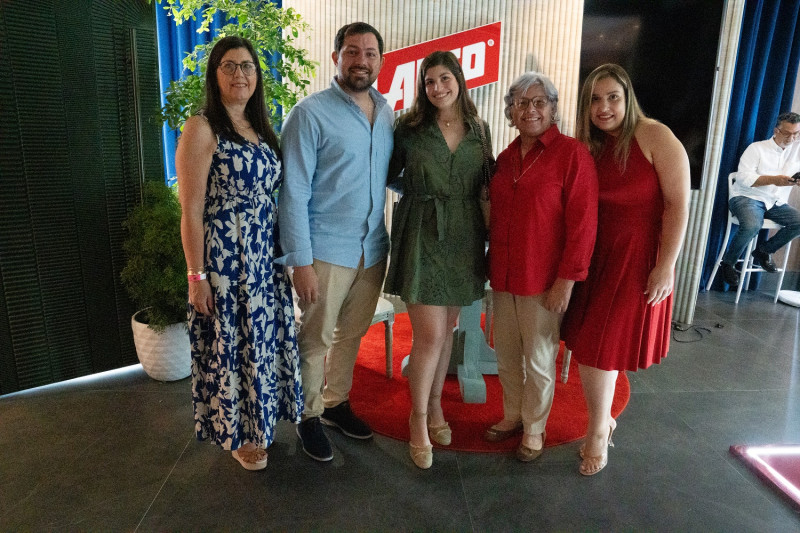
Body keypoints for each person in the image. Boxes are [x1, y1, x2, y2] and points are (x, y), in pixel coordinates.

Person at [176, 36, 303, 471]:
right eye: (229, 66)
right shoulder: (202, 128)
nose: (240, 74)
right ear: (215, 74)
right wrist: (197, 277)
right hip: (226, 261)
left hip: (263, 258)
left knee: (259, 346)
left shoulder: (261, 127)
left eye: (247, 66)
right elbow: (190, 211)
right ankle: (237, 433)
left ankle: (259, 423)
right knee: (230, 348)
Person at [562, 63, 690, 476]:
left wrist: (665, 266)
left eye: (612, 97)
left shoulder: (655, 135)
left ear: (627, 97)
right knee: (594, 344)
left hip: (636, 261)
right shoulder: (589, 145)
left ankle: (598, 431)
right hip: (595, 258)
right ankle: (603, 421)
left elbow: (678, 205)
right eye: (595, 99)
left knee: (602, 345)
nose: (604, 107)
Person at [277, 22, 393, 462]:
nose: (360, 60)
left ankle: (335, 404)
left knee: (351, 334)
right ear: (336, 58)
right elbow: (293, 192)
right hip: (325, 250)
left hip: (371, 248)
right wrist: (300, 262)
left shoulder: (385, 112)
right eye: (351, 52)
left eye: (369, 53)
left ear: (381, 60)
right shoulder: (309, 113)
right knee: (316, 337)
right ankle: (307, 417)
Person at [484, 72, 598, 463]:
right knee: (505, 353)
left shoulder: (572, 155)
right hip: (503, 274)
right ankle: (513, 415)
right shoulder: (505, 157)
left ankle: (534, 429)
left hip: (544, 279)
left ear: (552, 108)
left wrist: (567, 281)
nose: (529, 110)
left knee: (538, 358)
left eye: (538, 103)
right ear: (510, 111)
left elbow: (583, 226)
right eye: (520, 103)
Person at [385, 51, 490, 469]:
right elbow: (388, 172)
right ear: (422, 88)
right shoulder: (409, 129)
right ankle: (418, 419)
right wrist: (420, 195)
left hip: (464, 235)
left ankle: (436, 408)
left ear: (459, 80)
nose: (438, 87)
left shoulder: (478, 129)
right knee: (429, 335)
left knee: (446, 331)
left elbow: (485, 184)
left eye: (444, 78)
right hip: (422, 232)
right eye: (429, 82)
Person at [718, 112, 800, 286]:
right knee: (752, 225)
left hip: (774, 201)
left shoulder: (796, 151)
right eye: (787, 133)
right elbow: (743, 179)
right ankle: (728, 263)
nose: (792, 138)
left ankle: (763, 251)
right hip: (746, 196)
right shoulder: (757, 148)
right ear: (776, 130)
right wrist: (774, 179)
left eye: (796, 134)